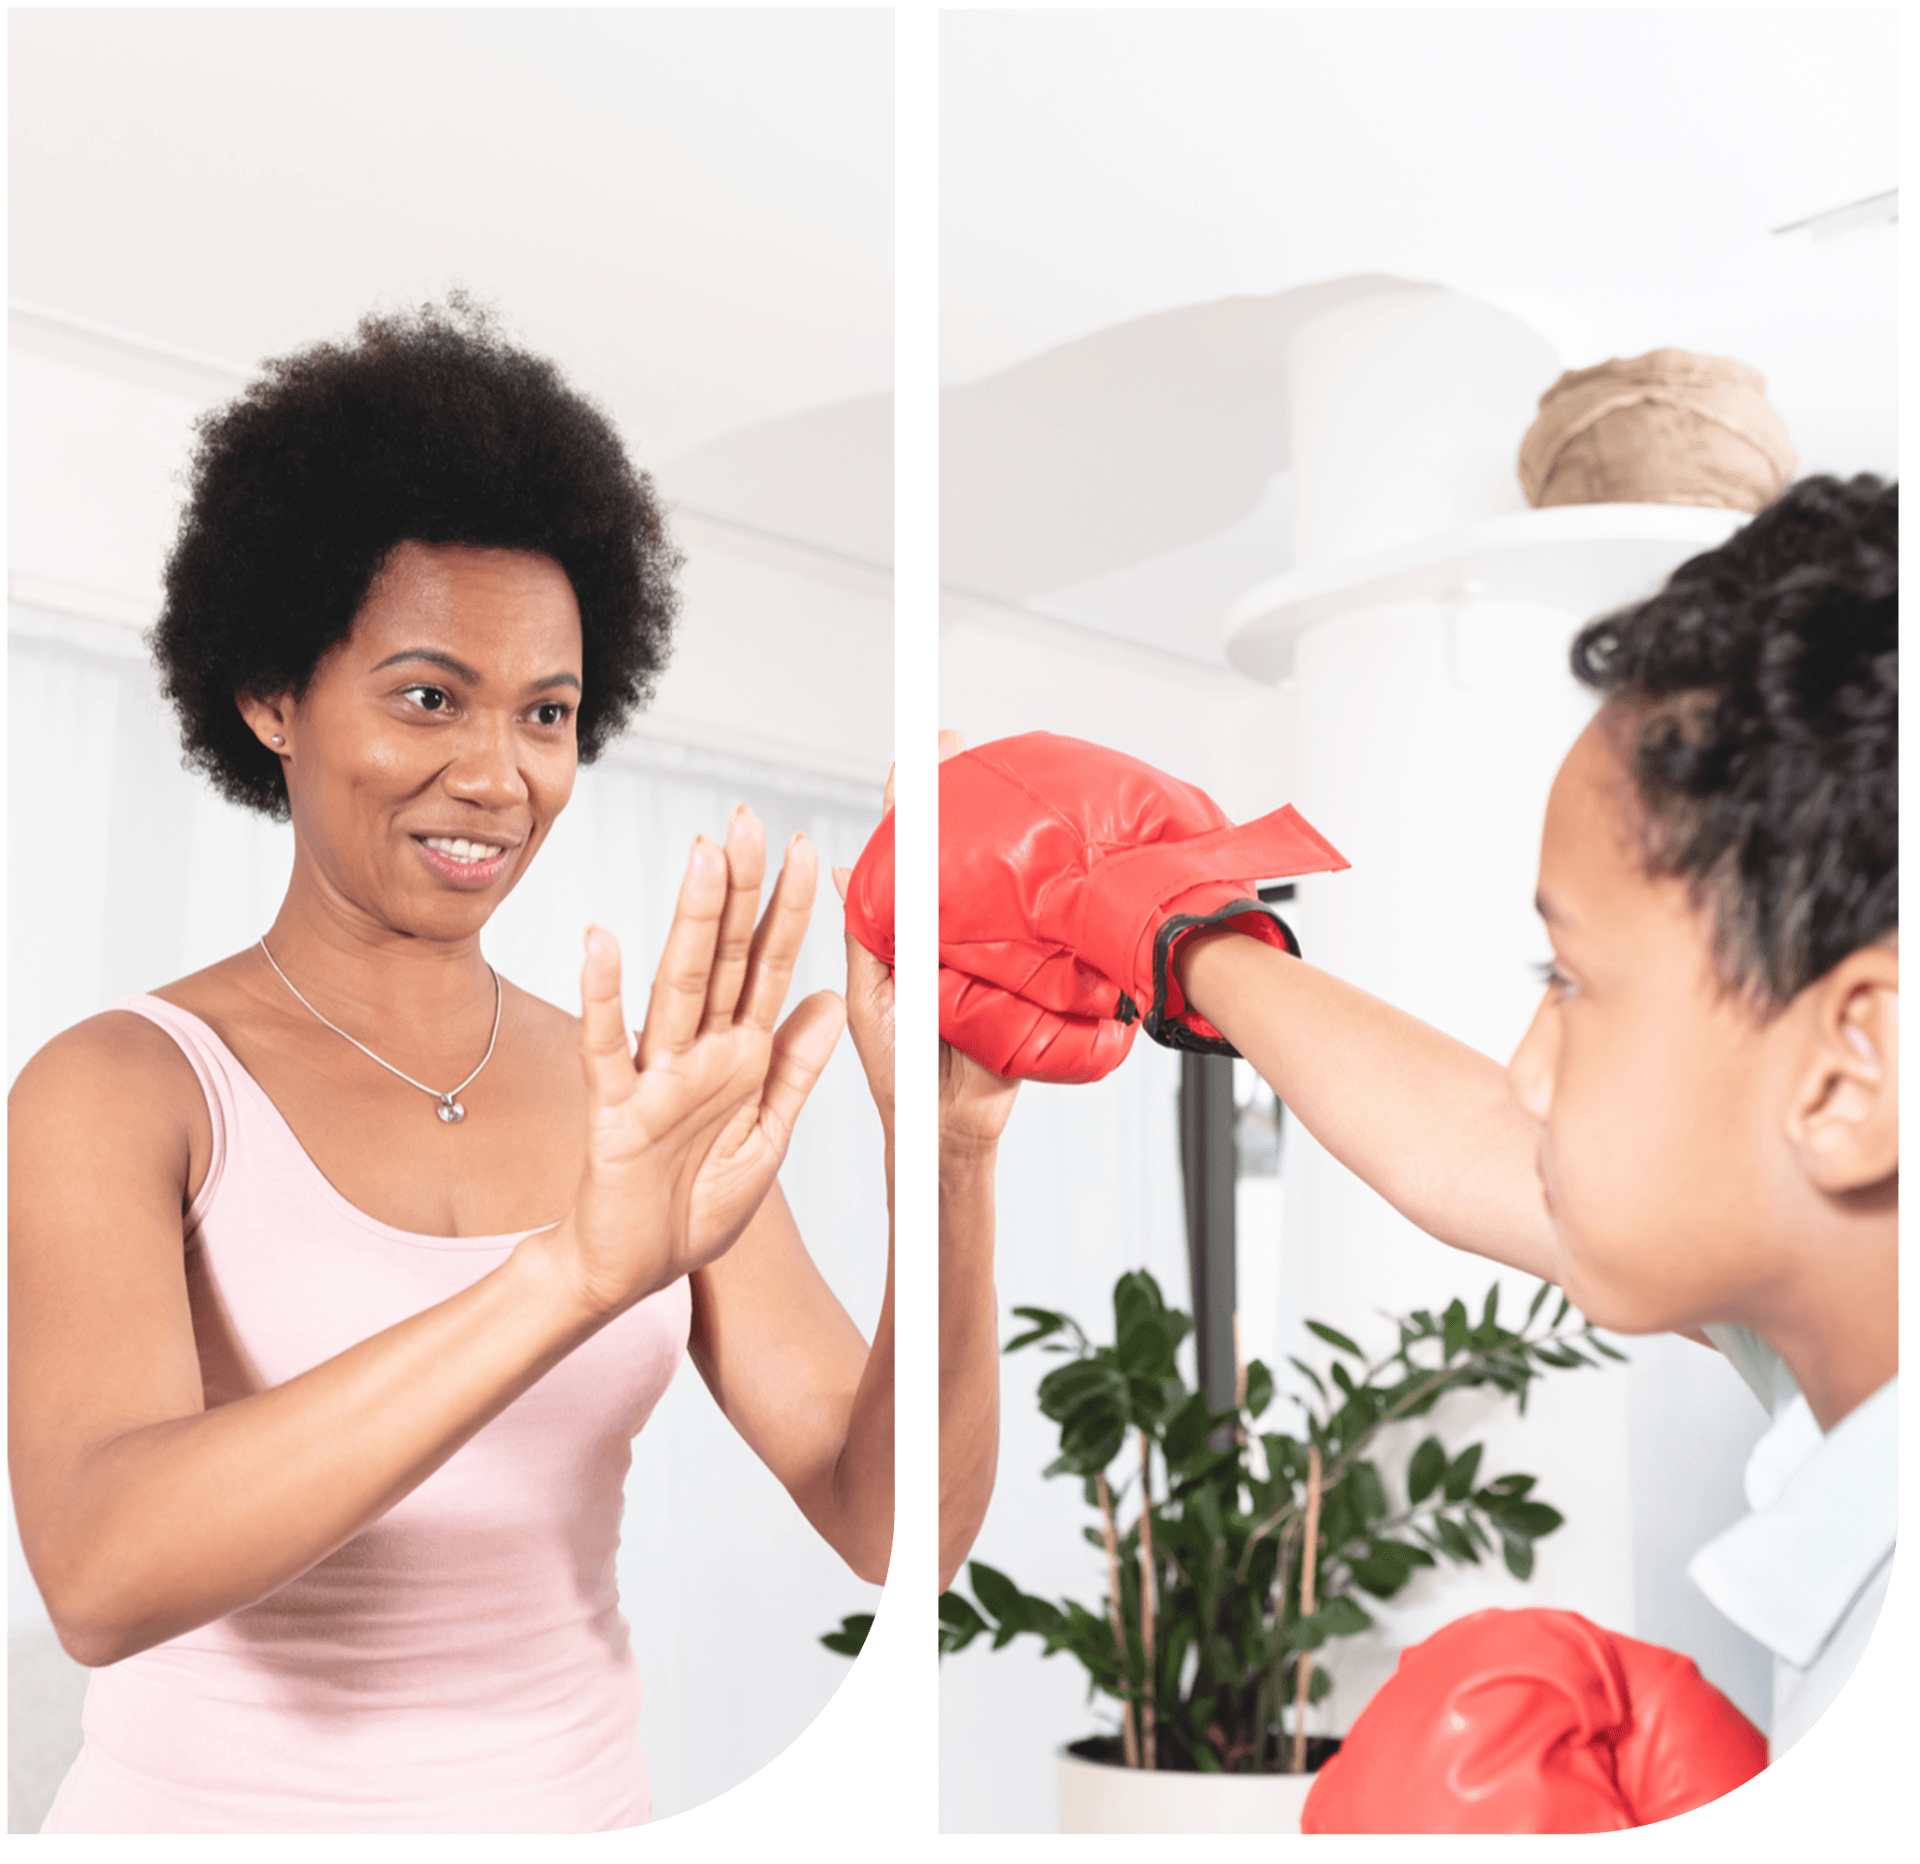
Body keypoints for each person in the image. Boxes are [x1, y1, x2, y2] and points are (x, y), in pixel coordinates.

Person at [6, 301, 899, 1834]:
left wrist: (945, 1164)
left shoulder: (638, 1098)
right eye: (428, 697)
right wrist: (570, 1275)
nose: (496, 777)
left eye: (545, 714)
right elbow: (101, 1573)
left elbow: (894, 1523)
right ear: (273, 695)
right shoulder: (123, 1088)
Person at [1169, 473, 1897, 1763]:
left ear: (1851, 1076)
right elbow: (1470, 1147)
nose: (1528, 1070)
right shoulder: (1835, 1341)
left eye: (1571, 981)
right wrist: (1180, 943)